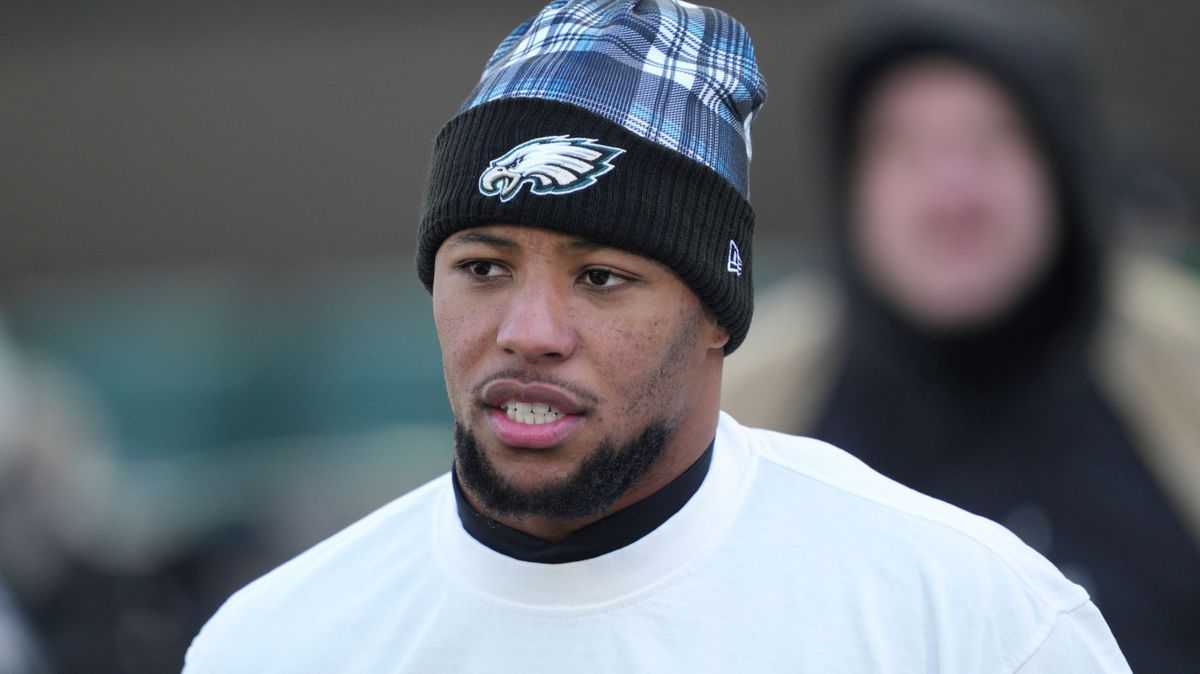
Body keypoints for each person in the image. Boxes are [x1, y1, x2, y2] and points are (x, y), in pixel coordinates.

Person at [184, 1, 1130, 671]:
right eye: (483, 267)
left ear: (718, 314)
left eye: (602, 278)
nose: (530, 332)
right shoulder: (273, 643)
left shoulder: (974, 621)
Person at [723, 3, 1200, 672]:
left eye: (990, 142)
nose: (952, 192)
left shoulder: (1182, 373)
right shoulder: (736, 405)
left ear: (1063, 167)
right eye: (905, 149)